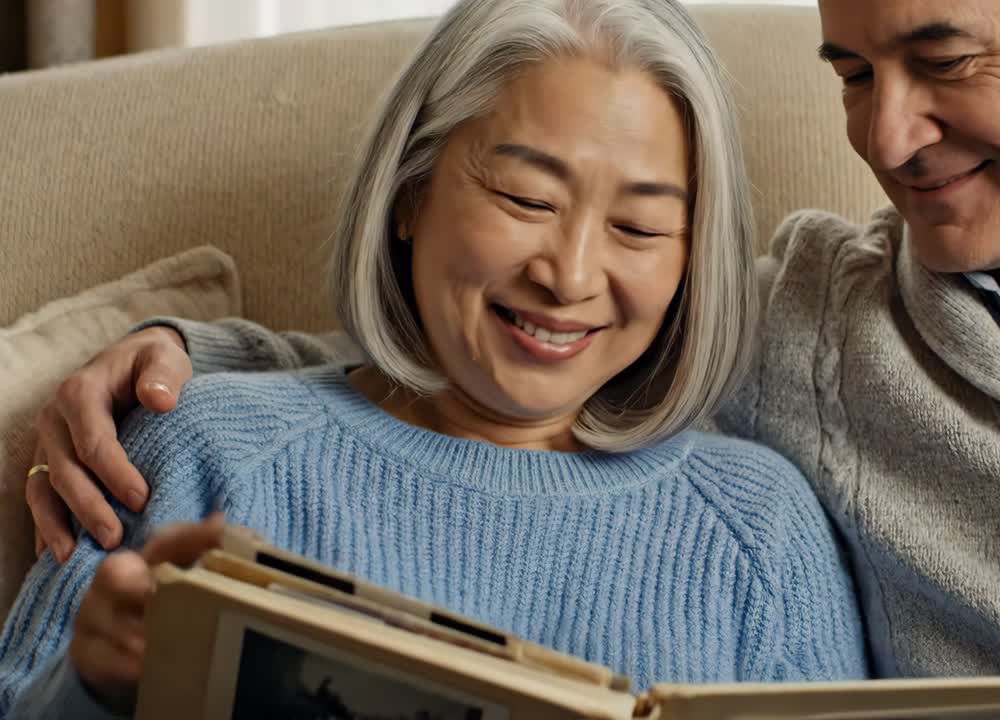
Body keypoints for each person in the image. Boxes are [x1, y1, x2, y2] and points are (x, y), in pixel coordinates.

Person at [21, 0, 1000, 716]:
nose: (887, 136)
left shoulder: (747, 503)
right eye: (852, 73)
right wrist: (176, 361)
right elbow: (480, 379)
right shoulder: (813, 320)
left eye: (941, 61)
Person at [0, 0, 871, 717]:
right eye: (527, 198)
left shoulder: (760, 532)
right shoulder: (204, 451)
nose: (569, 276)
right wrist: (91, 688)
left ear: (692, 262)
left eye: (638, 227)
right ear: (410, 193)